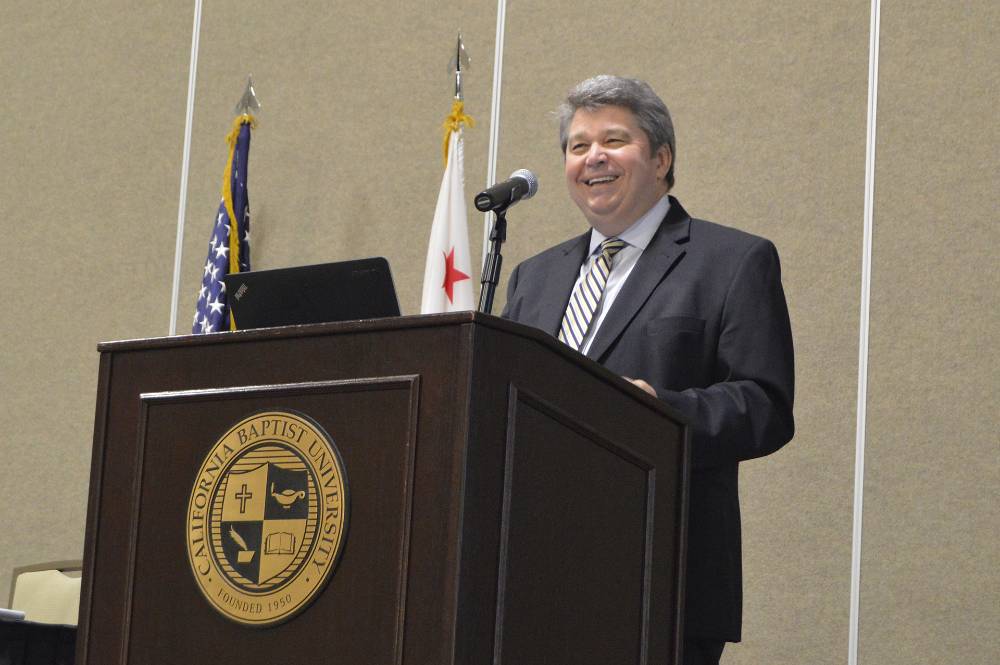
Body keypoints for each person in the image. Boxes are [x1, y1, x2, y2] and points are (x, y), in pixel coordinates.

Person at [502, 75, 795, 665]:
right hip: (531, 577)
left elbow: (764, 405)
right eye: (578, 146)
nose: (594, 158)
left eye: (614, 140)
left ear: (661, 158)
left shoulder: (732, 261)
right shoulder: (533, 277)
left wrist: (655, 411)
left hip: (661, 576)